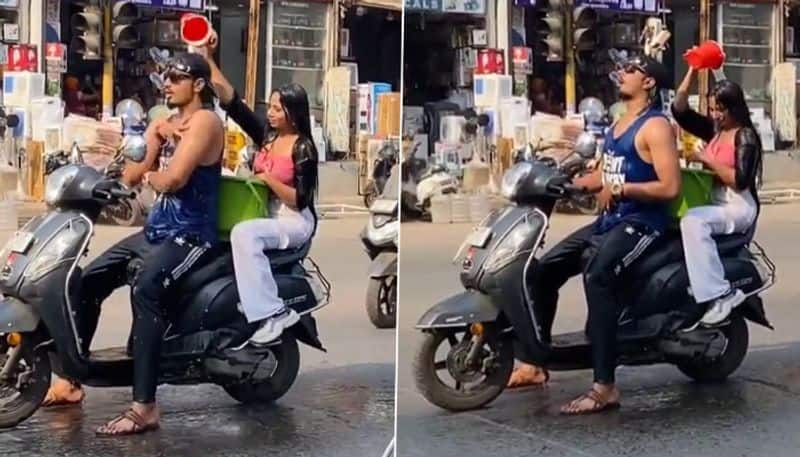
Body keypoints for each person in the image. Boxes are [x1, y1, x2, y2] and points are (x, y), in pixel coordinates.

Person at [42, 53, 225, 436]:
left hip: (190, 235)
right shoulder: (170, 124)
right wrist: (153, 139)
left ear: (199, 85)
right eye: (167, 76)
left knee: (146, 291)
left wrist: (154, 171)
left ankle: (145, 407)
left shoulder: (206, 122)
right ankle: (71, 381)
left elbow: (172, 181)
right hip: (157, 231)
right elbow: (131, 174)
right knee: (87, 280)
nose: (168, 83)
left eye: (178, 77)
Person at [518, 56, 681, 414]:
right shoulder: (619, 124)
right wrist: (564, 183)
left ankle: (605, 386)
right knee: (544, 270)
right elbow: (604, 177)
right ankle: (534, 362)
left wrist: (621, 189)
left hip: (644, 223)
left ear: (649, 82)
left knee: (598, 276)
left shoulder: (656, 127)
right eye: (622, 68)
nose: (622, 74)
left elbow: (670, 187)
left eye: (632, 70)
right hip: (611, 219)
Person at [202, 38, 319, 344]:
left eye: (278, 109)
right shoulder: (266, 137)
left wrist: (269, 180)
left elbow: (301, 199)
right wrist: (207, 57)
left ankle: (272, 312)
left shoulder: (303, 147)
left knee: (245, 235)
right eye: (270, 107)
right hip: (264, 214)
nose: (270, 113)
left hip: (294, 221)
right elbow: (233, 103)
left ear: (293, 113)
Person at [672, 69, 762, 326]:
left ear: (734, 108)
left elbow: (741, 181)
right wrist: (690, 70)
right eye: (712, 109)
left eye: (720, 109)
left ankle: (720, 293)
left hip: (737, 206)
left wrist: (708, 159)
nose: (715, 115)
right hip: (714, 202)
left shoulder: (745, 136)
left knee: (693, 222)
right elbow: (680, 112)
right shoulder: (715, 129)